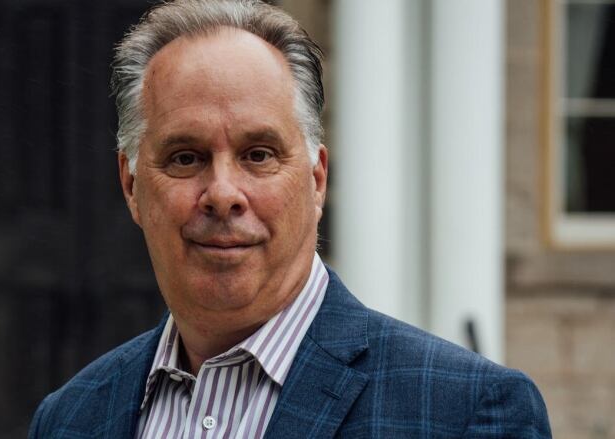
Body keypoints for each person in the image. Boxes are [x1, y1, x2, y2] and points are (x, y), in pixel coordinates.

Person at [29, 1, 551, 437]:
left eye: (258, 154)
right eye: (185, 157)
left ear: (317, 180)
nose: (223, 194)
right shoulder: (70, 419)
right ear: (132, 186)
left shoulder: (466, 413)